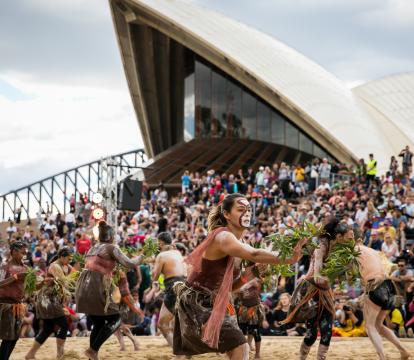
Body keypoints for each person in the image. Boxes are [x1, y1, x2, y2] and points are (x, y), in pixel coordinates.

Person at [173, 193, 307, 359]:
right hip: (197, 303)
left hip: (212, 302)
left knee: (236, 348)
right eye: (241, 209)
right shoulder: (223, 236)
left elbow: (231, 287)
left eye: (249, 210)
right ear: (227, 214)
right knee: (240, 347)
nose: (247, 214)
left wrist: (251, 274)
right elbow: (256, 254)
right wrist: (289, 259)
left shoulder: (238, 243)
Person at [283, 217, 349, 360]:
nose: (348, 240)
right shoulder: (321, 247)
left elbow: (339, 274)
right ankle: (301, 358)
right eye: (346, 237)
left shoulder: (340, 249)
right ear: (338, 236)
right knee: (311, 335)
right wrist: (325, 277)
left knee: (327, 333)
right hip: (311, 291)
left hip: (325, 292)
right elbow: (318, 274)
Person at [75, 221, 143, 360]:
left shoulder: (93, 248)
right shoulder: (112, 248)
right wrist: (143, 256)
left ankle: (92, 356)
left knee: (98, 323)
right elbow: (129, 263)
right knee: (115, 320)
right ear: (112, 236)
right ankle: (93, 350)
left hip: (84, 287)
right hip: (97, 285)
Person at [354, 236, 410, 360]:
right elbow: (390, 267)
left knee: (369, 326)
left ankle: (382, 358)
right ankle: (403, 350)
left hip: (375, 285)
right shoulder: (373, 251)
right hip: (389, 286)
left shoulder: (354, 251)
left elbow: (352, 275)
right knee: (378, 325)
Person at [26, 247, 72, 360]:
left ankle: (30, 354)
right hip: (48, 299)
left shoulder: (65, 265)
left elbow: (74, 272)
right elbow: (64, 282)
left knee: (48, 328)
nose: (70, 260)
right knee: (64, 325)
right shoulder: (55, 266)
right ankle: (60, 354)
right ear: (62, 257)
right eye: (68, 258)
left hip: (51, 298)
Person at [151, 232, 186, 348]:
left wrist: (154, 266)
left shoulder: (161, 256)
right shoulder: (177, 253)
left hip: (173, 286)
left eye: (158, 243)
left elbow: (155, 277)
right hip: (185, 286)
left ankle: (179, 352)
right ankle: (183, 349)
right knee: (177, 322)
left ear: (161, 242)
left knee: (162, 324)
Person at [0, 241, 27, 360]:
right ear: (14, 252)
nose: (24, 255)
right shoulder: (5, 266)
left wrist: (42, 283)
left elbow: (30, 287)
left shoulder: (25, 268)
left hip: (18, 305)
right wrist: (15, 277)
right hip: (5, 305)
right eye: (22, 253)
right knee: (8, 337)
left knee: (15, 337)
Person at [236, 278, 264, 359]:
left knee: (255, 331)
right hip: (244, 307)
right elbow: (237, 290)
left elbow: (256, 283)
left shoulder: (255, 279)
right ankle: (245, 348)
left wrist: (245, 283)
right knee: (241, 331)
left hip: (255, 307)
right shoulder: (240, 278)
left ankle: (257, 354)